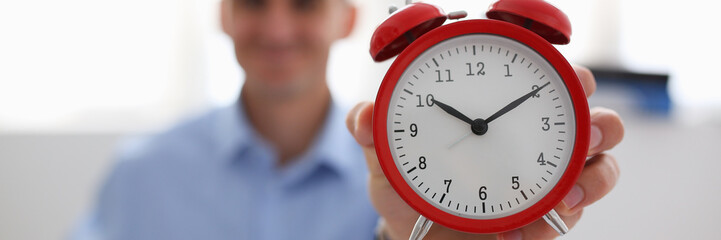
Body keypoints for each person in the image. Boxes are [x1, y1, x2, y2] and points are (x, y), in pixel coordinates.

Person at [72, 0, 624, 239]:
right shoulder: (142, 174)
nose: (279, 29)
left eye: (307, 4)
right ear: (223, 14)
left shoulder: (405, 198)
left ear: (348, 19)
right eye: (255, 2)